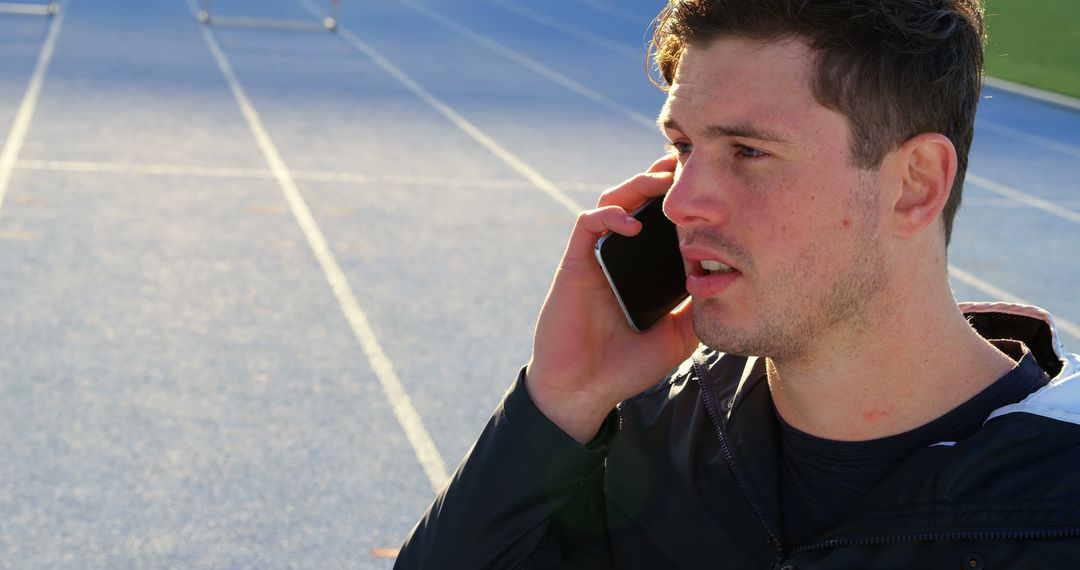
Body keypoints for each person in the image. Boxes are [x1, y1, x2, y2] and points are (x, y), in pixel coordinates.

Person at [396, 0, 1080, 567]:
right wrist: (560, 398)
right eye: (683, 147)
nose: (679, 201)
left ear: (914, 185)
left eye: (748, 152)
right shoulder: (648, 435)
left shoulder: (1055, 505)